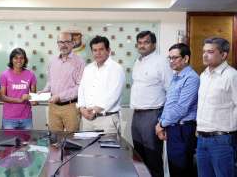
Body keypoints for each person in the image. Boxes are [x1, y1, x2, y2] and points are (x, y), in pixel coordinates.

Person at [130, 30, 173, 177]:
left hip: (152, 115)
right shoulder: (138, 61)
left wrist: (163, 120)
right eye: (140, 43)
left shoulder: (162, 62)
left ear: (154, 44)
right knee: (139, 156)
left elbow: (170, 91)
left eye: (146, 42)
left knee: (152, 157)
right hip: (137, 115)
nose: (142, 46)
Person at [155, 43, 199, 177]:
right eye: (170, 58)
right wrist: (161, 123)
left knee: (182, 170)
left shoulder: (191, 78)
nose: (171, 61)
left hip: (183, 129)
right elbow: (169, 104)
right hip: (172, 128)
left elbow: (181, 108)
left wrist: (162, 124)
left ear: (186, 59)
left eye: (175, 58)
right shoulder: (176, 77)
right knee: (174, 169)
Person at [196, 37, 237, 177]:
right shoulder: (203, 75)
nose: (204, 55)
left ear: (224, 55)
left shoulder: (232, 76)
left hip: (221, 141)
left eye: (210, 52)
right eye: (204, 51)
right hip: (201, 139)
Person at [77, 35, 125, 133]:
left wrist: (94, 111)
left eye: (101, 49)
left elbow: (114, 95)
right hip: (87, 120)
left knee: (107, 148)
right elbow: (81, 90)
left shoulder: (116, 69)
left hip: (107, 120)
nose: (98, 53)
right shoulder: (88, 68)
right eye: (94, 50)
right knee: (87, 148)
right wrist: (82, 109)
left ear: (108, 50)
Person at [41, 32, 85, 132]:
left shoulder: (80, 62)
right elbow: (50, 81)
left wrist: (59, 96)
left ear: (73, 43)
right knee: (54, 140)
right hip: (53, 107)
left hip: (71, 107)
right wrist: (44, 91)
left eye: (67, 42)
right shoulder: (52, 61)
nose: (63, 45)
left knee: (71, 141)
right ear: (57, 44)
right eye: (60, 42)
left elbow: (79, 87)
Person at [0, 48, 37, 129]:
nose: (19, 60)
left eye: (21, 58)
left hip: (26, 118)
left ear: (25, 60)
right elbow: (2, 97)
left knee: (26, 141)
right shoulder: (4, 75)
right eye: (16, 58)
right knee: (9, 142)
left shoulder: (31, 74)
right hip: (9, 119)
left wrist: (35, 100)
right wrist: (20, 100)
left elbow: (33, 97)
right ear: (11, 59)